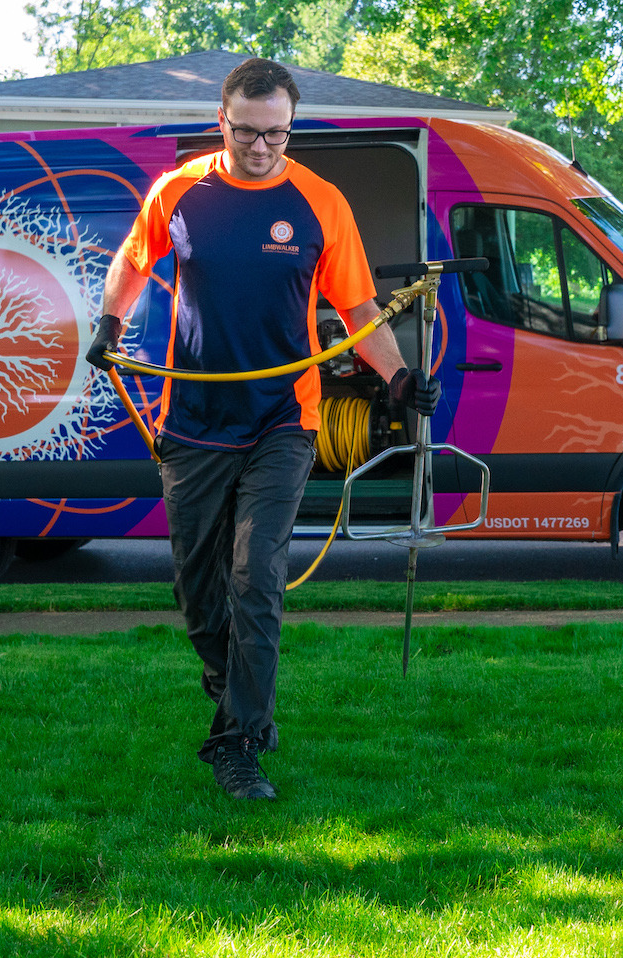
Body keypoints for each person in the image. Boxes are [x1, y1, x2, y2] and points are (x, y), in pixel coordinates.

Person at [85, 57, 438, 800]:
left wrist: (399, 377)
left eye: (276, 133)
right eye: (247, 132)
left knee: (257, 577)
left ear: (290, 126)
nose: (261, 147)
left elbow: (359, 314)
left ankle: (240, 742)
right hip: (195, 420)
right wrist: (111, 320)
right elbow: (131, 259)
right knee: (197, 588)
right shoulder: (179, 191)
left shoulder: (320, 202)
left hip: (285, 419)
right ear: (222, 122)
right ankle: (232, 676)